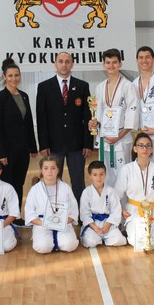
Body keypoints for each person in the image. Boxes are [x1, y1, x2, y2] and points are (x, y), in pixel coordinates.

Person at [36, 52, 93, 205]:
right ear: (55, 63)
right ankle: (54, 213)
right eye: (60, 61)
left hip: (77, 145)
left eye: (67, 61)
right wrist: (43, 144)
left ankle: (80, 213)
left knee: (78, 182)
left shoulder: (82, 86)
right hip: (53, 145)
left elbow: (88, 116)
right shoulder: (44, 87)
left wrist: (88, 143)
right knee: (53, 180)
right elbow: (41, 118)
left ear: (72, 64)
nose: (64, 64)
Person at [0, 59, 37, 226]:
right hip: (7, 150)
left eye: (16, 75)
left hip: (22, 149)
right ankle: (4, 216)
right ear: (4, 77)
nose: (14, 78)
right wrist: (1, 152)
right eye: (10, 76)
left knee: (19, 182)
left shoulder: (24, 96)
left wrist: (33, 147)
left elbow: (28, 122)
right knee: (6, 183)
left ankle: (16, 215)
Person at [88, 48, 138, 186]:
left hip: (121, 138)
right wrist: (94, 123)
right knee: (105, 174)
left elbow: (132, 113)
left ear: (120, 64)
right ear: (104, 65)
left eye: (114, 62)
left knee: (123, 174)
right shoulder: (100, 87)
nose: (111, 66)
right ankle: (108, 199)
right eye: (108, 62)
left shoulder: (128, 86)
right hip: (105, 137)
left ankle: (123, 200)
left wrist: (119, 136)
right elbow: (98, 112)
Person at [114, 133, 154, 248]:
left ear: (152, 149)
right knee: (138, 242)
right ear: (135, 149)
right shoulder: (126, 170)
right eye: (141, 146)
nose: (145, 149)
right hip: (134, 212)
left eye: (148, 146)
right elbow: (116, 195)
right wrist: (122, 210)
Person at [24, 156, 80, 253]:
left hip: (63, 222)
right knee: (43, 247)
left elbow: (73, 211)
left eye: (53, 168)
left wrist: (62, 222)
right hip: (42, 223)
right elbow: (30, 213)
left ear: (58, 170)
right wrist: (45, 223)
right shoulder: (35, 189)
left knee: (69, 245)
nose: (49, 171)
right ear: (41, 170)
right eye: (46, 168)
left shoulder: (65, 188)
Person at [79, 160, 127, 248]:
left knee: (119, 240)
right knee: (91, 242)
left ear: (105, 174)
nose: (99, 178)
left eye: (101, 174)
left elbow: (116, 210)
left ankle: (104, 237)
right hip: (93, 224)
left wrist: (107, 226)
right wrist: (94, 226)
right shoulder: (87, 192)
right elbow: (84, 213)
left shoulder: (111, 191)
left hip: (107, 222)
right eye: (95, 175)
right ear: (90, 176)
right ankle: (98, 237)